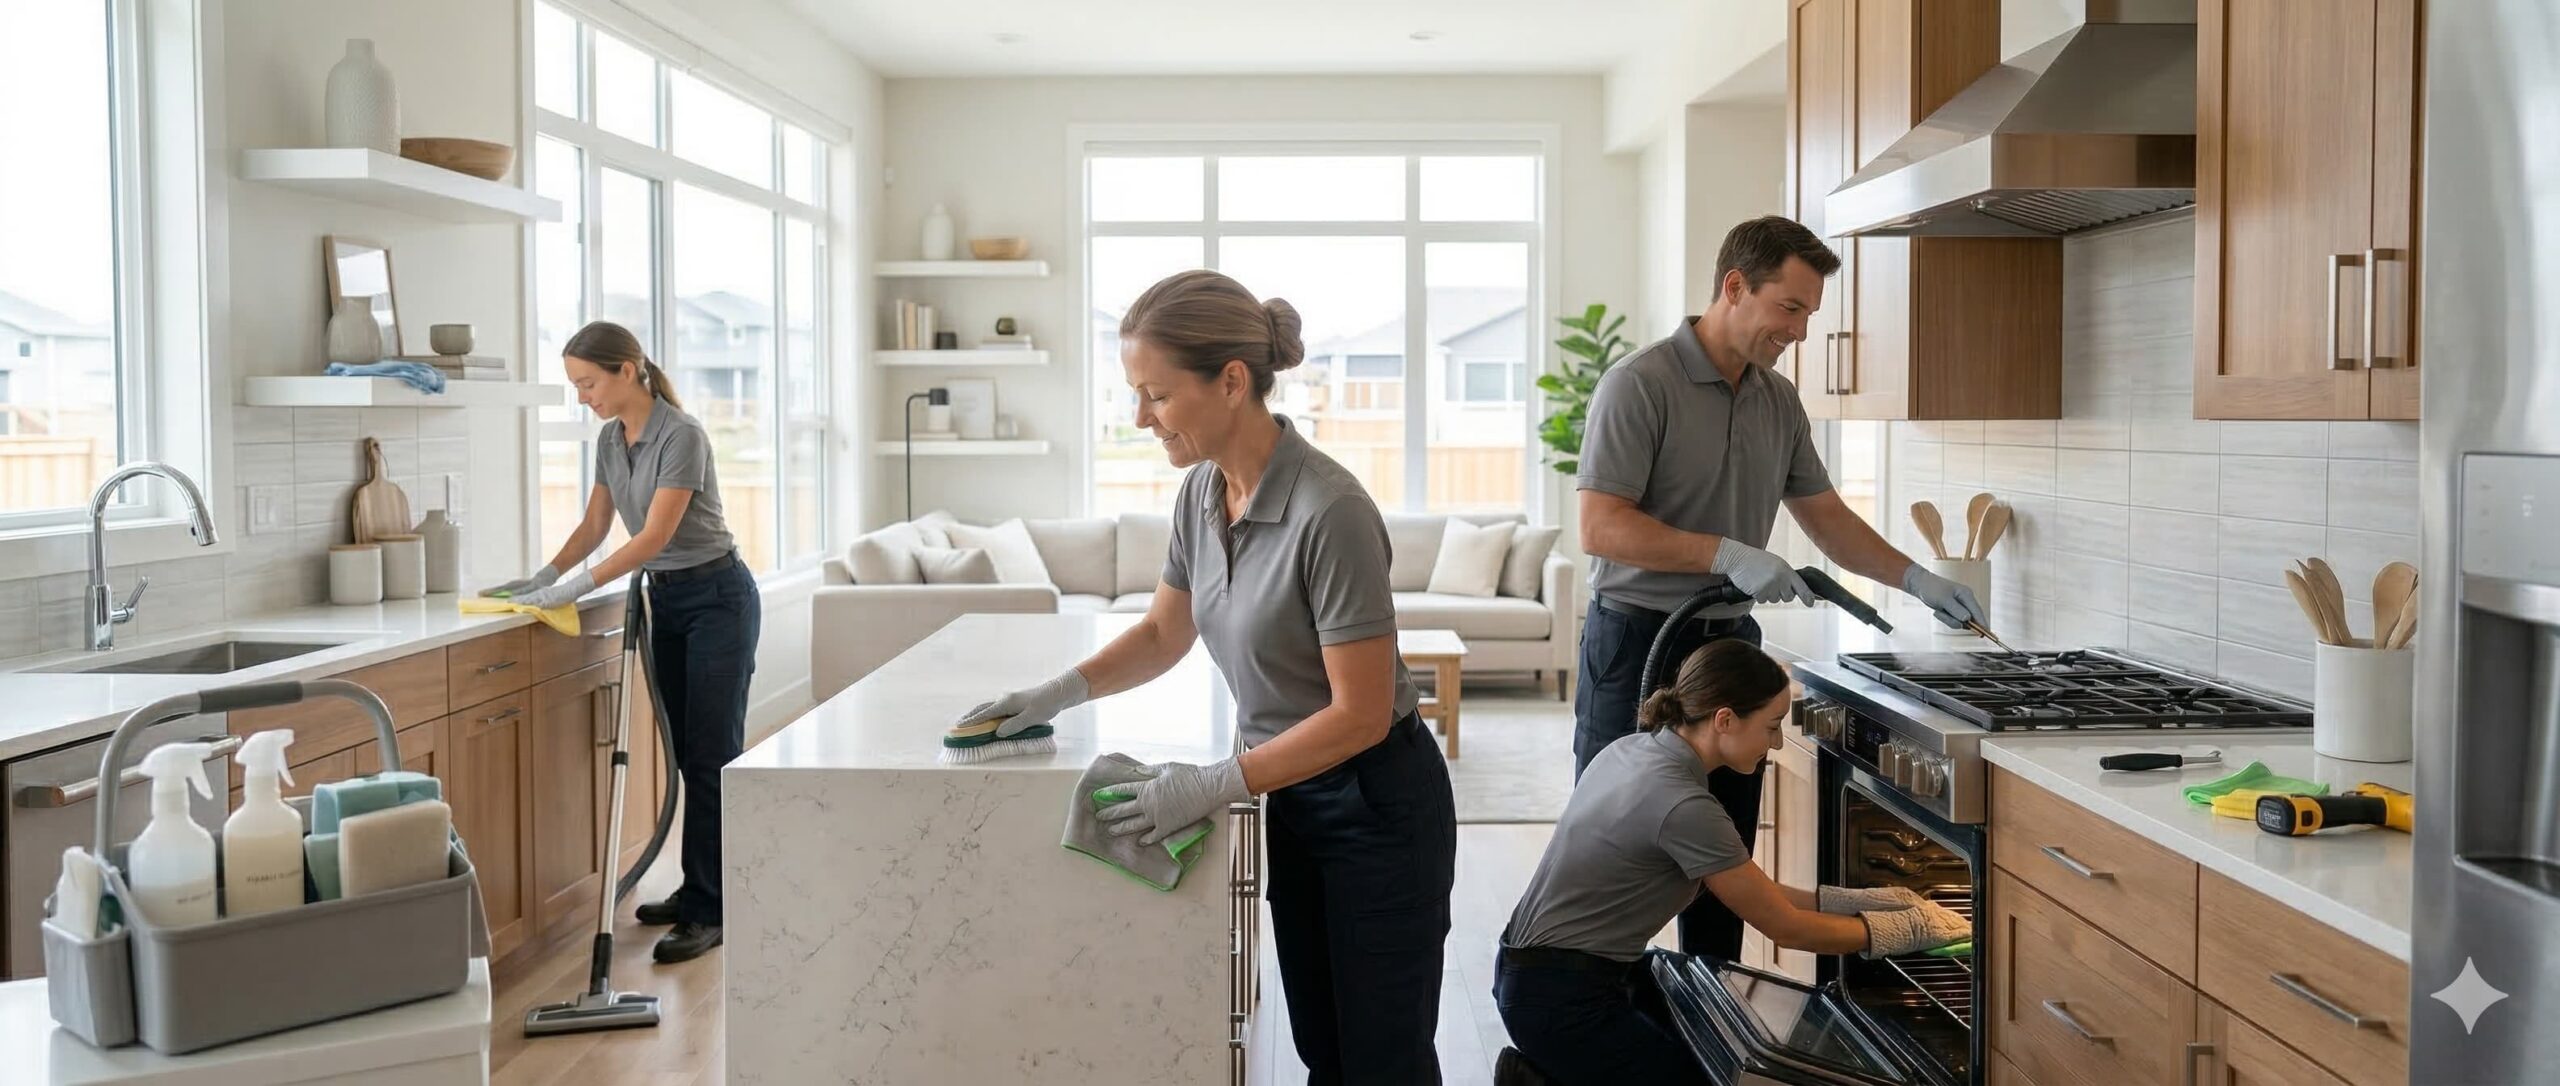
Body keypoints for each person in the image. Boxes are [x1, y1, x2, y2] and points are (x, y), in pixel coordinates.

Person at [955, 270, 1458, 1085]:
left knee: (1384, 1059)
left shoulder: (1331, 512)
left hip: (1377, 803)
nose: (1140, 418)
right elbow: (1162, 632)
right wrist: (1054, 693)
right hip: (1291, 792)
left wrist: (1217, 782)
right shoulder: (1200, 495)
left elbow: (1362, 714)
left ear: (1231, 382)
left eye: (1155, 395)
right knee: (1324, 1048)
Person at [1573, 215, 1984, 959]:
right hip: (1636, 642)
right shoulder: (1639, 385)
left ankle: (1712, 1021)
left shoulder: (1777, 400)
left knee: (1724, 856)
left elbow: (1826, 519)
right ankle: (1583, 1024)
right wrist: (1725, 553)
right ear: (1734, 287)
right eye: (1789, 308)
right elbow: (1601, 528)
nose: (1798, 330)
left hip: (1730, 651)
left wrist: (1917, 579)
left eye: (1809, 314)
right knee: (1615, 848)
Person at [1498, 640, 1969, 1084]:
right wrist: (1911, 931)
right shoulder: (1684, 806)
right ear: (1724, 719)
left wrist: (1868, 902)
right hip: (1560, 1000)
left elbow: (1758, 893)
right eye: (1771, 725)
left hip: (1540, 975)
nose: (1779, 743)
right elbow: (1786, 929)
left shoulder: (1634, 751)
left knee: (1700, 1026)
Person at [481, 320, 758, 965]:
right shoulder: (612, 439)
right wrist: (544, 577)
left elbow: (654, 537)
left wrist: (571, 591)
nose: (584, 397)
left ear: (627, 369)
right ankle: (701, 889)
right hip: (668, 601)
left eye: (588, 382)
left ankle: (711, 909)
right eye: (576, 386)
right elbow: (597, 523)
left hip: (718, 599)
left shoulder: (681, 435)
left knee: (713, 757)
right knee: (685, 755)